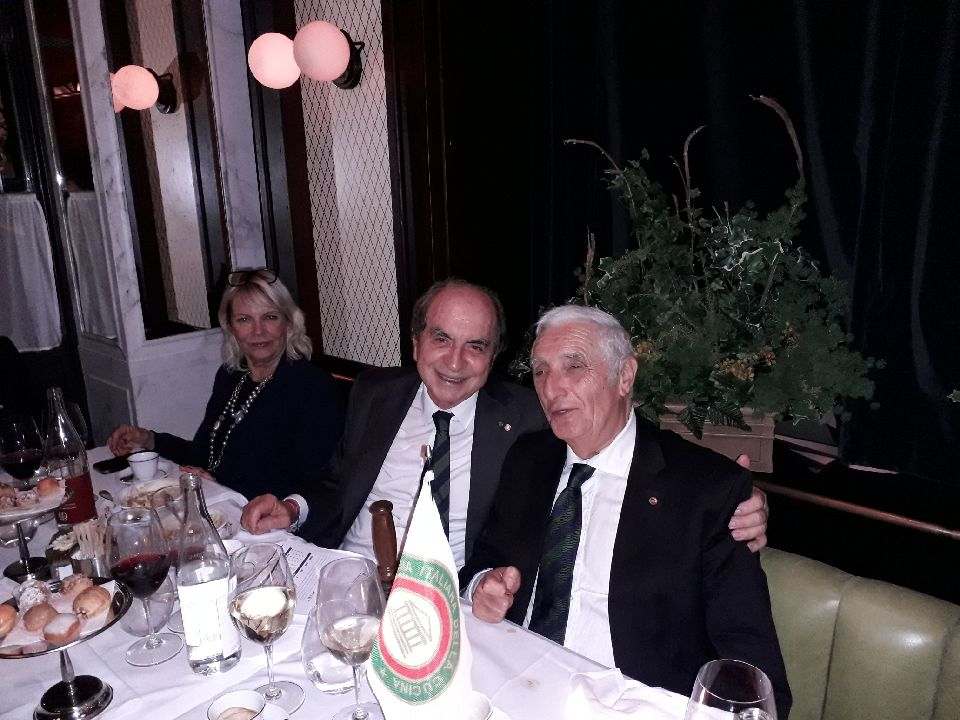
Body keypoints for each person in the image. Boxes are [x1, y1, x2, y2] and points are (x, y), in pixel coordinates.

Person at [241, 279, 769, 568]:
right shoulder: (375, 394)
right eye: (441, 339)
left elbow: (619, 428)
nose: (455, 362)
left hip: (449, 599)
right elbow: (338, 482)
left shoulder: (528, 413)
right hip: (347, 574)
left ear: (493, 357)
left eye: (476, 346)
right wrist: (293, 506)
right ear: (416, 342)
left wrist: (730, 495)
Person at [462, 305, 791, 718]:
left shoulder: (706, 490)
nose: (551, 387)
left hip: (630, 702)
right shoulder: (529, 458)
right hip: (514, 680)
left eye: (573, 366)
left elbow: (750, 659)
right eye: (541, 370)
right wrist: (482, 585)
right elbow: (485, 557)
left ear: (625, 376)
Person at [107, 269, 343, 504]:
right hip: (220, 502)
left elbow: (312, 484)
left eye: (270, 317)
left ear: (288, 323)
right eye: (244, 319)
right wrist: (149, 440)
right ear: (230, 327)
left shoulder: (312, 387)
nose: (258, 330)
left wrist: (221, 485)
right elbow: (204, 455)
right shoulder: (231, 376)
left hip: (267, 515)